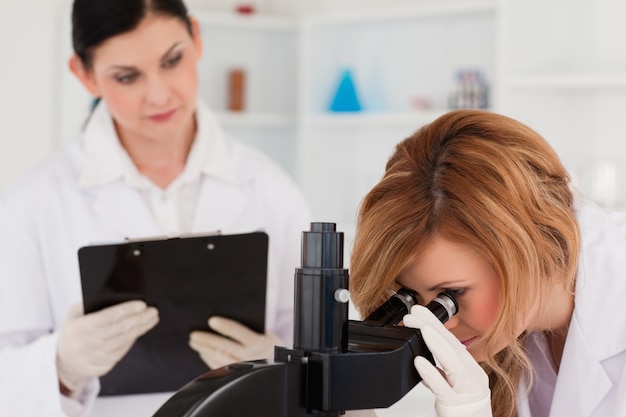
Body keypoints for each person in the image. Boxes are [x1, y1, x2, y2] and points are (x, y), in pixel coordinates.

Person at [0, 0, 310, 416]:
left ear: (197, 39)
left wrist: (278, 365)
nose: (159, 94)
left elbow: (318, 351)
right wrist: (61, 364)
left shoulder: (271, 188)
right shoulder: (34, 201)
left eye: (172, 60)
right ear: (84, 75)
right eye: (127, 76)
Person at [349, 109, 626, 417]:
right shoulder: (510, 333)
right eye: (411, 299)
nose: (442, 325)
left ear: (527, 251)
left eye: (452, 296)